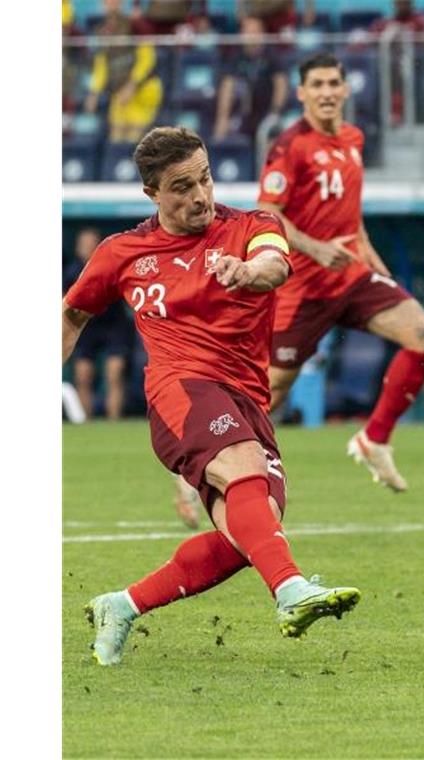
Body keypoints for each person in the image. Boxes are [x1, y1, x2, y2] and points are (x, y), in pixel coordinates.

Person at [64, 126, 360, 666]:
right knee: (248, 480)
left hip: (246, 398)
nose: (200, 195)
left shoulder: (253, 225)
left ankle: (123, 604)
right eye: (181, 186)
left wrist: (247, 271)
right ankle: (291, 590)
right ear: (152, 193)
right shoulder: (123, 254)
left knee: (252, 529)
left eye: (204, 178)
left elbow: (274, 263)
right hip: (179, 389)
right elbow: (72, 314)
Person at [256, 52, 424, 491]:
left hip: (352, 276)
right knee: (273, 389)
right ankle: (209, 459)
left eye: (332, 84)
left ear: (345, 89)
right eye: (316, 85)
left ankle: (374, 439)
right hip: (303, 287)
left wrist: (374, 262)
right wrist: (315, 249)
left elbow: (351, 216)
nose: (325, 92)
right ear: (301, 93)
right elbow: (267, 212)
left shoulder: (353, 139)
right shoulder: (289, 146)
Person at [63, 226, 135, 420]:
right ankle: (86, 423)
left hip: (114, 325)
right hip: (87, 327)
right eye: (83, 244)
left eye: (91, 244)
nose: (87, 248)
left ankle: (113, 422)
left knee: (114, 372)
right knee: (83, 374)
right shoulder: (71, 273)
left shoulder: (112, 265)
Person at [83, 0, 165, 143]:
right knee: (116, 138)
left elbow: (147, 58)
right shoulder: (102, 30)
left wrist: (132, 85)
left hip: (143, 89)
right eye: (106, 2)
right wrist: (94, 93)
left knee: (135, 140)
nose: (109, 4)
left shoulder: (136, 25)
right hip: (118, 91)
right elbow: (101, 65)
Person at [213, 15, 289, 142]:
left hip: (267, 113)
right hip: (242, 114)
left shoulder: (271, 55)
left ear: (262, 34)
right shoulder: (235, 56)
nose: (251, 36)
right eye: (247, 32)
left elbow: (281, 84)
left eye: (255, 32)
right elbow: (227, 86)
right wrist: (223, 118)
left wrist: (275, 113)